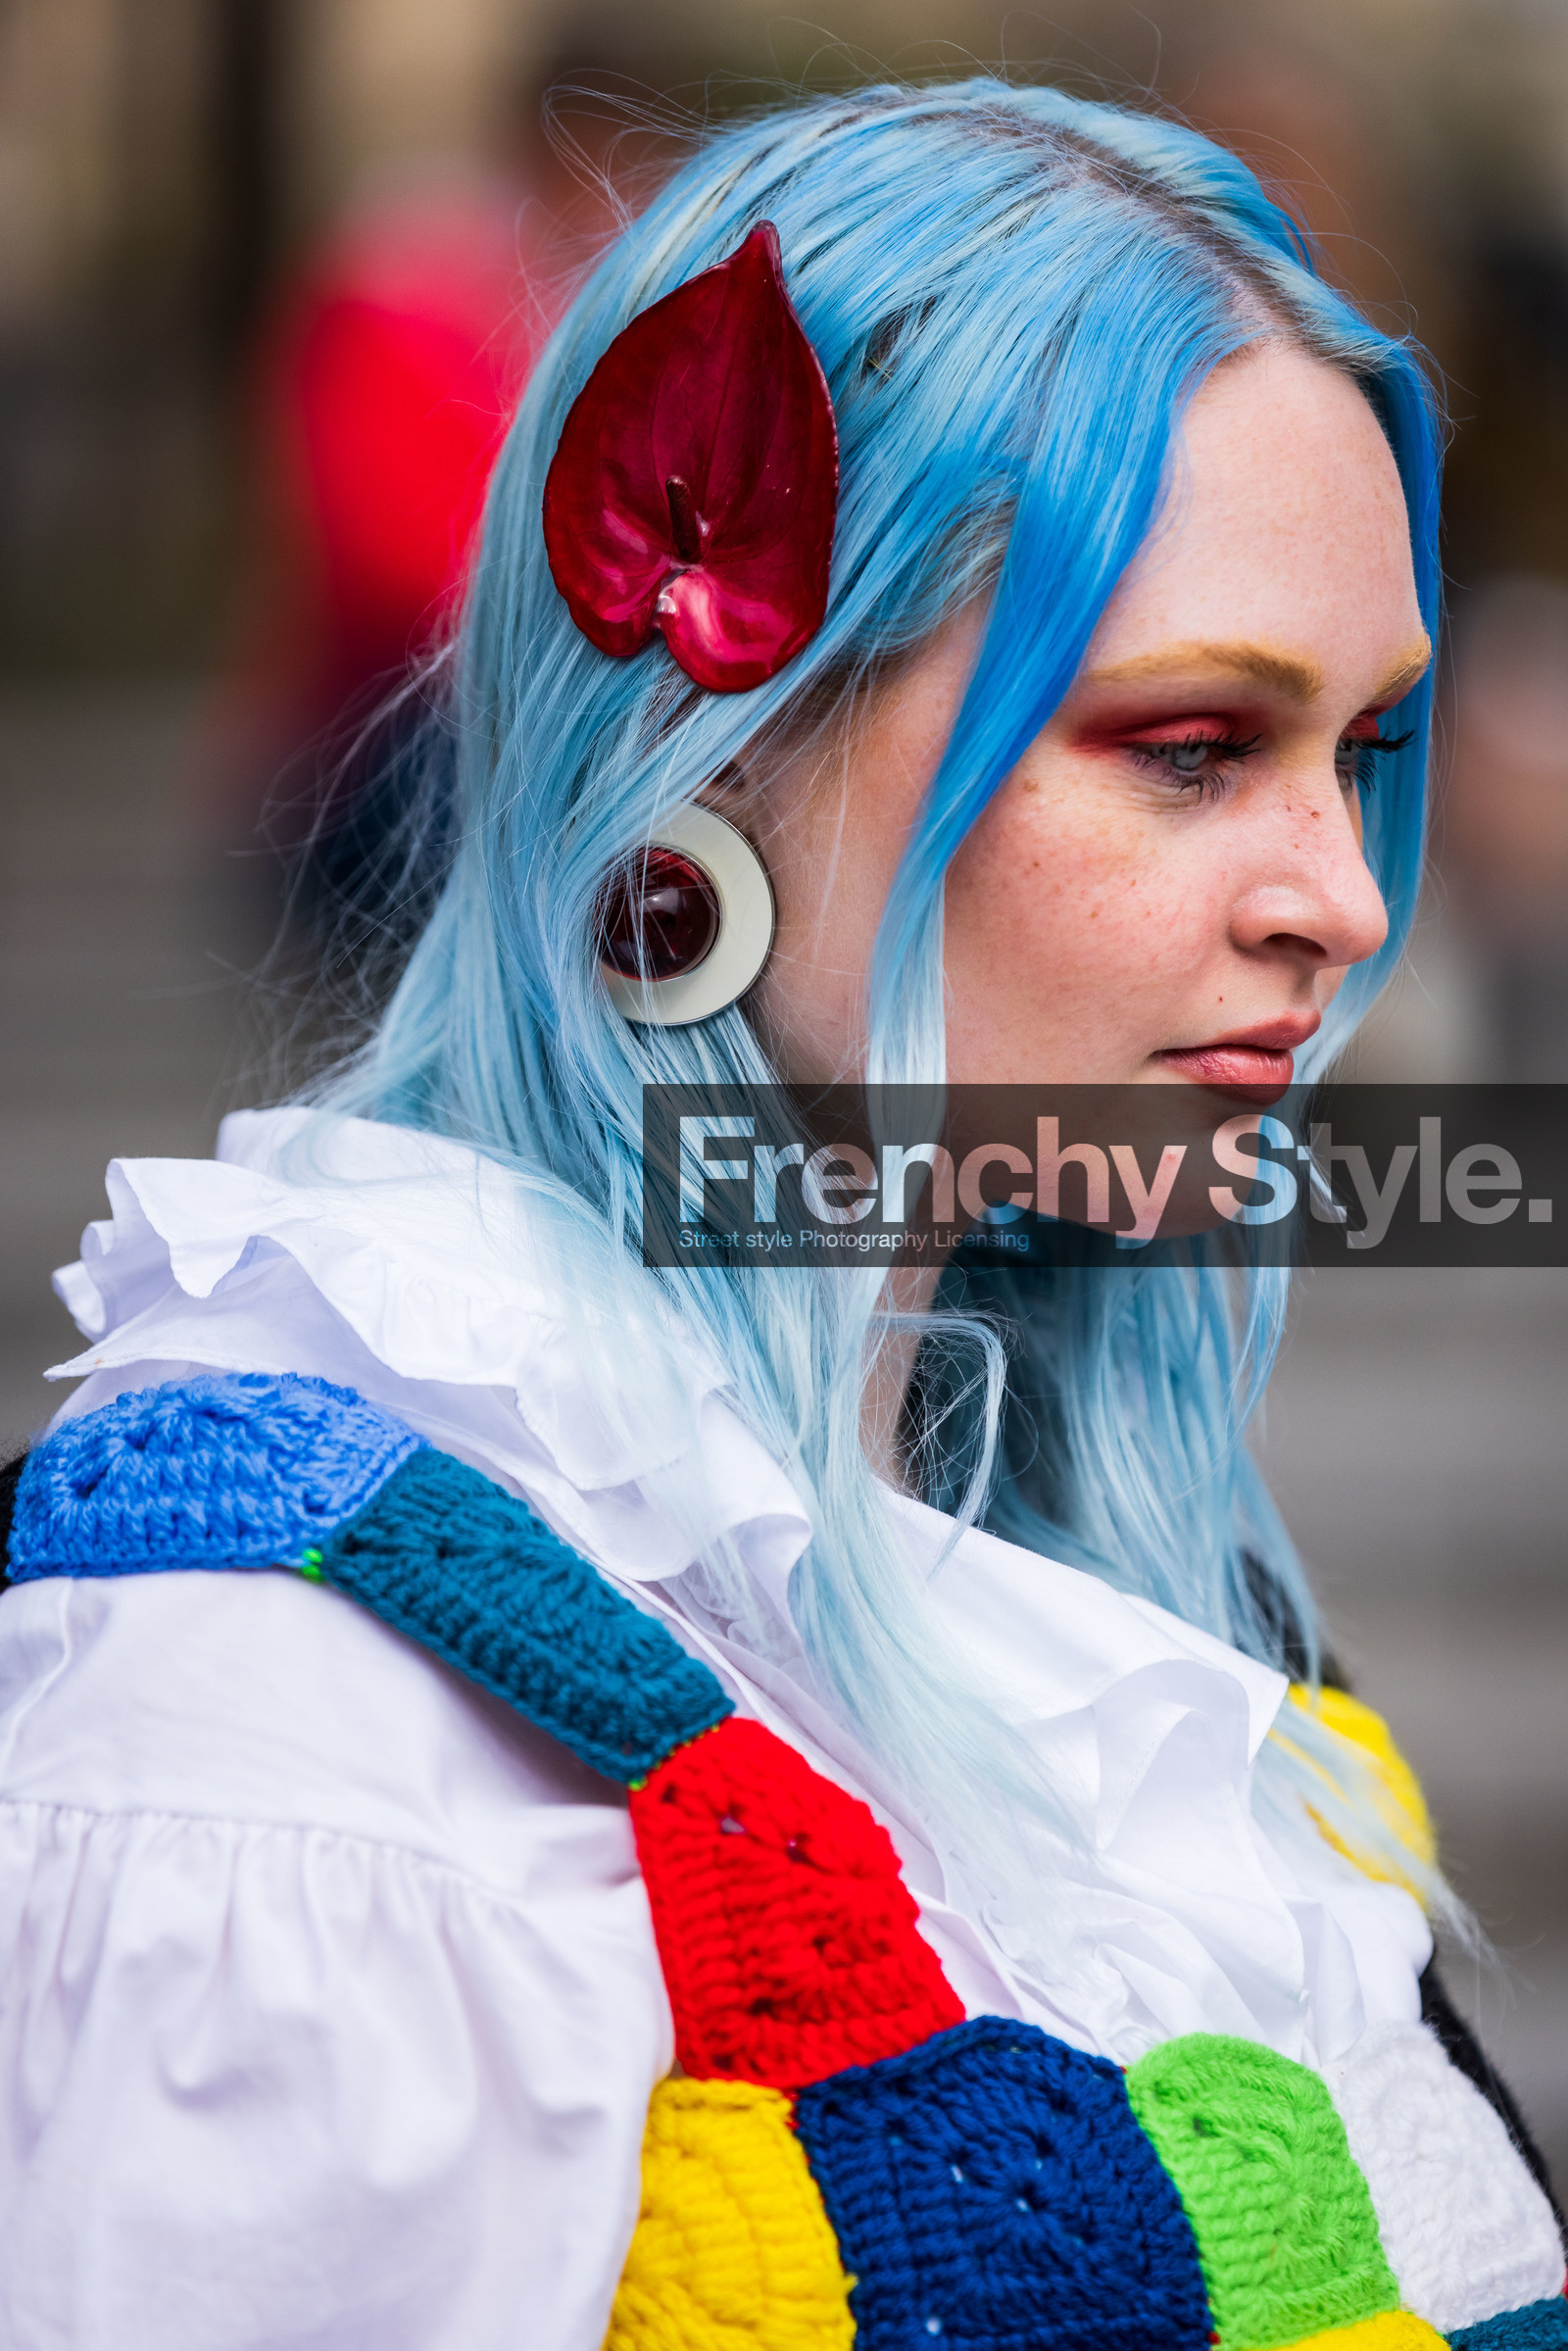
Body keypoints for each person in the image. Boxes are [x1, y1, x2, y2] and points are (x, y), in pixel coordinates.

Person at [1, 78, 1562, 2351]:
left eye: (1366, 752)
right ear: (707, 760)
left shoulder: (1132, 1596)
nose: (1335, 900)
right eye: (1190, 749)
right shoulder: (286, 1723)